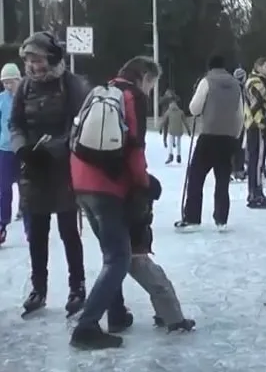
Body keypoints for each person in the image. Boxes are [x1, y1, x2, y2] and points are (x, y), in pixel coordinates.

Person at [69, 55, 161, 349]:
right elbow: (134, 149)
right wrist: (146, 184)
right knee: (119, 257)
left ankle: (117, 314)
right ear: (144, 76)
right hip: (107, 187)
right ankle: (86, 326)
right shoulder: (132, 96)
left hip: (81, 182)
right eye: (153, 84)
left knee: (111, 253)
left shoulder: (101, 92)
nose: (151, 90)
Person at [11, 32, 88, 318]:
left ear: (52, 58)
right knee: (37, 234)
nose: (32, 65)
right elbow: (15, 123)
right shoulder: (25, 87)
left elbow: (79, 125)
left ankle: (77, 286)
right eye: (29, 60)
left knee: (69, 231)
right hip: (33, 168)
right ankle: (38, 288)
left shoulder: (70, 85)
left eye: (38, 59)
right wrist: (22, 149)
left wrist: (54, 148)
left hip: (63, 169)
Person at [177, 55, 245, 230]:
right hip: (229, 137)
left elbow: (194, 108)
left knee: (196, 177)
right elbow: (240, 114)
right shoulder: (236, 85)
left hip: (209, 135)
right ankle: (221, 218)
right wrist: (235, 136)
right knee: (222, 179)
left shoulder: (207, 81)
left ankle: (192, 217)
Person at [127, 185, 196, 333]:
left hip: (134, 250)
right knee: (159, 285)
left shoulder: (136, 209)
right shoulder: (135, 211)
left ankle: (163, 314)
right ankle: (174, 320)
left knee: (158, 279)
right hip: (134, 253)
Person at [243, 58, 266, 208]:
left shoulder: (257, 81)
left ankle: (257, 192)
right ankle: (255, 194)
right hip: (257, 126)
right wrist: (262, 121)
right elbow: (256, 104)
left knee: (257, 161)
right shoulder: (255, 82)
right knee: (257, 161)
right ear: (258, 67)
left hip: (255, 125)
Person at [0, 63, 22, 245]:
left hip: (22, 149)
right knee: (4, 188)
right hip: (5, 149)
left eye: (11, 82)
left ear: (18, 80)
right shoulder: (1, 99)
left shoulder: (24, 97)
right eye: (5, 83)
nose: (8, 86)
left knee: (26, 186)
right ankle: (2, 223)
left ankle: (31, 226)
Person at [159, 99, 190, 165]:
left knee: (170, 143)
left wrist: (160, 128)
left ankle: (171, 155)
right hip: (179, 130)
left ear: (170, 105)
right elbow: (185, 122)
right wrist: (188, 130)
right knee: (178, 143)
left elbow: (163, 121)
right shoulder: (180, 112)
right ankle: (178, 156)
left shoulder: (168, 112)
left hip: (171, 131)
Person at [231, 67, 248, 181]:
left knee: (233, 147)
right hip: (240, 121)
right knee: (240, 147)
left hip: (232, 121)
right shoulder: (242, 89)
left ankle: (234, 170)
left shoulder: (231, 88)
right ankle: (238, 170)